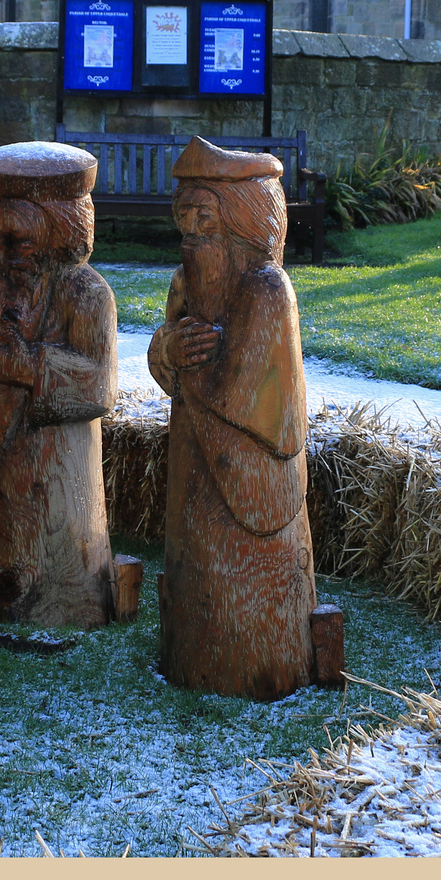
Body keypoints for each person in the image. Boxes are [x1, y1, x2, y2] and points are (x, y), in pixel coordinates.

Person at [148, 137, 316, 700]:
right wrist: (166, 350)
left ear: (244, 224)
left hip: (251, 485)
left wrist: (189, 364)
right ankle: (189, 657)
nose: (192, 236)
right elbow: (164, 358)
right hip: (195, 473)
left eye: (207, 220)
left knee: (246, 591)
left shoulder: (268, 290)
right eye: (185, 221)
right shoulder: (183, 284)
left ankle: (259, 665)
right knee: (199, 574)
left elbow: (245, 395)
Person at [0, 142, 119, 626]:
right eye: (0, 240)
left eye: (22, 243)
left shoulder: (87, 292)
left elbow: (100, 386)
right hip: (0, 446)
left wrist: (27, 368)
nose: (8, 256)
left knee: (59, 541)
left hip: (61, 468)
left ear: (57, 236)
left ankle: (68, 604)